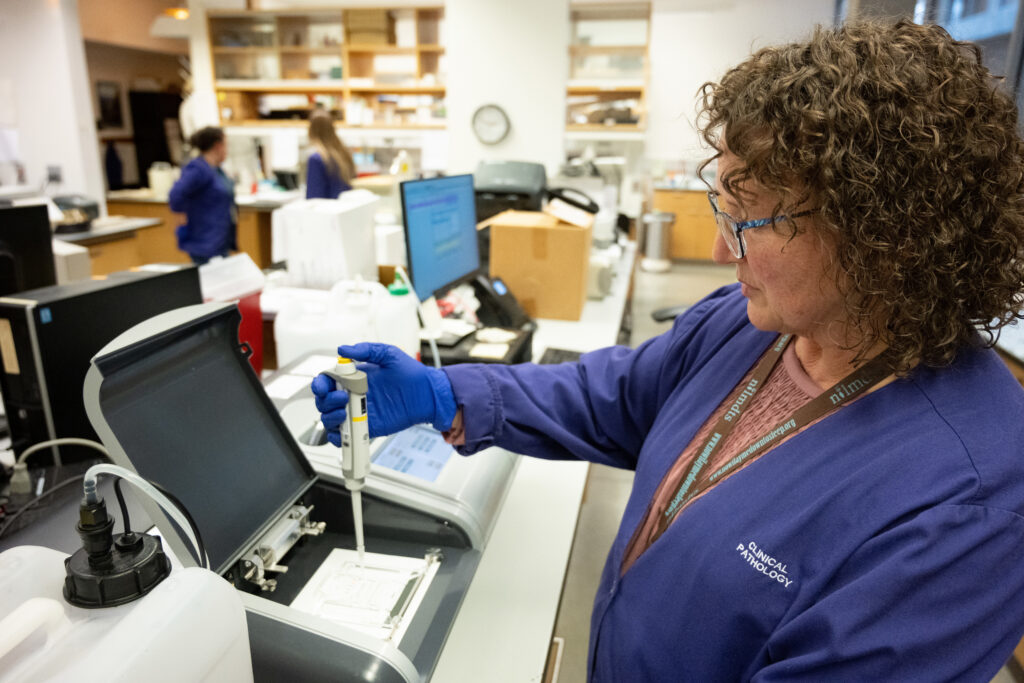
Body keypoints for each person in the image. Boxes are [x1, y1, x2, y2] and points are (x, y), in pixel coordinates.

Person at [312, 20, 1024, 681]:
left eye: (748, 220)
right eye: (723, 210)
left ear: (879, 234)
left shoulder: (970, 504)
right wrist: (451, 392)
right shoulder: (755, 326)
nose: (719, 249)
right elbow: (617, 394)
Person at [169, 126, 236, 265]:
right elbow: (176, 195)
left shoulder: (216, 169)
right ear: (218, 146)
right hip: (205, 240)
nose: (227, 150)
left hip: (219, 239)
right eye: (226, 145)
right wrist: (181, 215)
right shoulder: (198, 169)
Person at [305, 111, 355, 199]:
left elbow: (314, 197)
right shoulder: (344, 155)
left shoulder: (316, 159)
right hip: (345, 209)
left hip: (326, 211)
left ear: (311, 130)